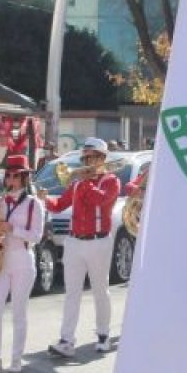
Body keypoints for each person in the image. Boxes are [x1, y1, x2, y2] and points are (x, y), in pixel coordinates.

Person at [42, 138, 121, 358]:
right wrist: (44, 199)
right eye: (85, 157)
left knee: (100, 291)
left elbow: (101, 202)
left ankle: (103, 334)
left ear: (103, 159)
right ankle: (67, 340)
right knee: (71, 293)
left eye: (93, 157)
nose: (88, 161)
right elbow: (60, 205)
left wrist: (86, 182)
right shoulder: (77, 183)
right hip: (74, 242)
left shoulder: (111, 181)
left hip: (99, 241)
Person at [0, 155, 45, 373]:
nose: (10, 178)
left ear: (25, 177)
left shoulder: (33, 204)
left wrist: (11, 229)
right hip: (0, 255)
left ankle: (16, 358)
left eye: (15, 175)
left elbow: (37, 236)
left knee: (18, 312)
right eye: (8, 174)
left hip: (22, 258)